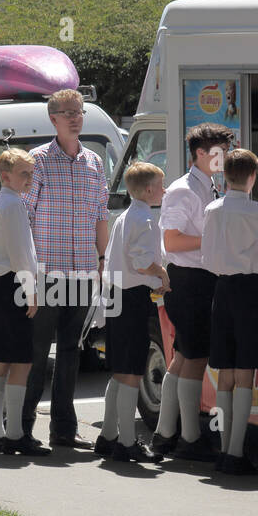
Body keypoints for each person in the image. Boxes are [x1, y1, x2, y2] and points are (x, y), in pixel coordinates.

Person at [21, 88, 109, 449]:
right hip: (46, 274)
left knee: (72, 352)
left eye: (79, 111)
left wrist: (103, 263)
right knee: (37, 353)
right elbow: (23, 218)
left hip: (84, 273)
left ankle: (63, 430)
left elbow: (101, 217)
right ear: (53, 119)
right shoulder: (37, 161)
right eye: (67, 112)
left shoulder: (94, 162)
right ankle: (22, 428)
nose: (75, 117)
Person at [203, 148, 258, 476]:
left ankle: (225, 448)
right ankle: (237, 452)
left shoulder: (212, 209)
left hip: (221, 288)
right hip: (250, 290)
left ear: (225, 176)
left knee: (225, 370)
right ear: (253, 177)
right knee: (245, 371)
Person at [152, 123, 234, 462]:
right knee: (194, 358)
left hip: (196, 278)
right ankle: (189, 437)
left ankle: (165, 433)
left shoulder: (208, 185)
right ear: (200, 154)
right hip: (189, 279)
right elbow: (171, 241)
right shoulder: (184, 189)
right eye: (218, 153)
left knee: (184, 358)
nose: (223, 158)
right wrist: (217, 238)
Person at [96, 162, 169, 464]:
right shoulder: (143, 218)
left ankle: (109, 435)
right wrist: (162, 274)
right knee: (130, 372)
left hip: (115, 294)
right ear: (150, 190)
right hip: (131, 297)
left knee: (120, 369)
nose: (164, 190)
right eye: (161, 185)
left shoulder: (126, 215)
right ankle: (126, 441)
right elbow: (141, 262)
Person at [0, 149, 50, 456]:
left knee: (1, 361)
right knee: (21, 361)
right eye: (24, 174)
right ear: (5, 176)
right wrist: (31, 290)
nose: (29, 179)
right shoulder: (13, 205)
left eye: (31, 174)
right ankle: (15, 434)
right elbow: (22, 253)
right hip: (11, 285)